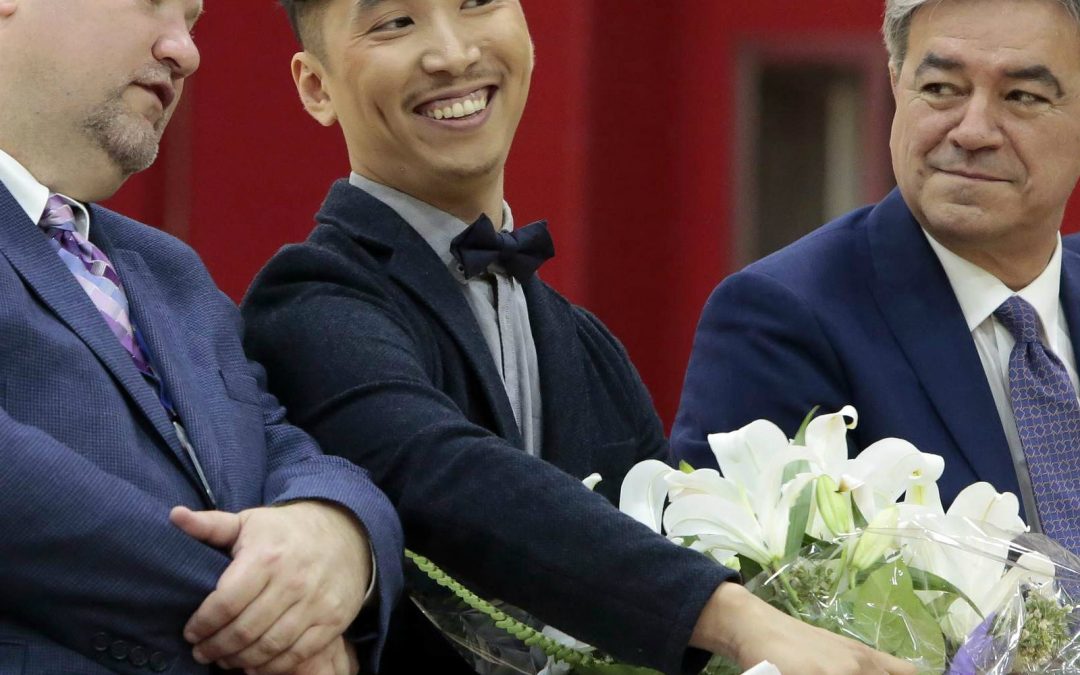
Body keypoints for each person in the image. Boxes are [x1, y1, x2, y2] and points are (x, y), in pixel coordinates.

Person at [240, 1, 915, 673]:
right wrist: (736, 618)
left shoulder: (584, 344)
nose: (451, 53)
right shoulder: (310, 298)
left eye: (477, 3)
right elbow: (446, 475)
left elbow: (665, 539)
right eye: (395, 22)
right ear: (315, 86)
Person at [0, 1, 403, 673]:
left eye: (193, 22)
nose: (185, 53)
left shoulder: (172, 272)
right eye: (153, 4)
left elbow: (290, 447)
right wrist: (279, 620)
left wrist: (338, 534)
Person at [673, 0, 1080, 550]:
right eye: (941, 88)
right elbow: (746, 602)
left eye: (1022, 97)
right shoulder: (781, 320)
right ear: (896, 83)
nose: (973, 130)